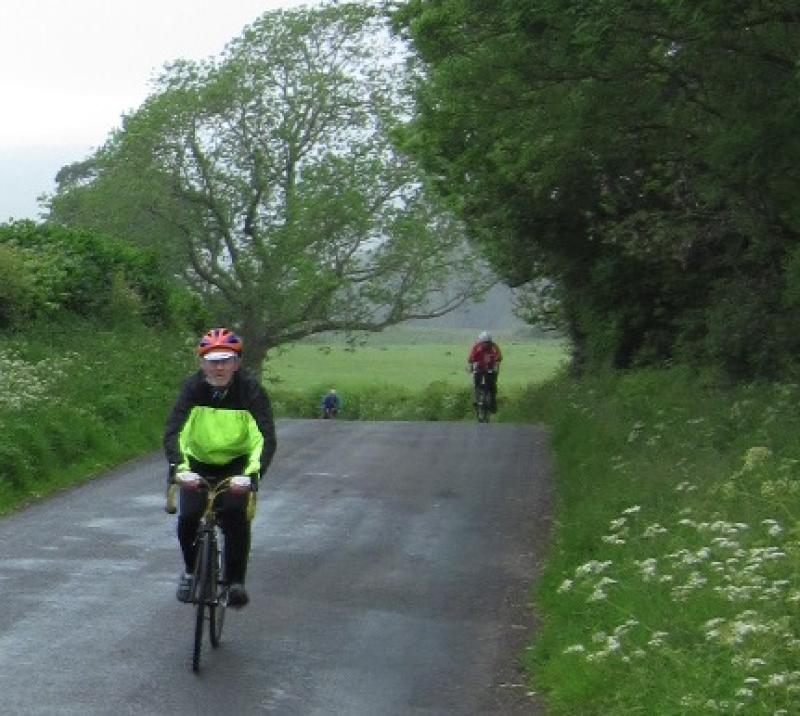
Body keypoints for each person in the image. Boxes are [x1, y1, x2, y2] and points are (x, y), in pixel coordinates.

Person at [163, 327, 277, 609]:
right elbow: (175, 433)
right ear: (202, 363)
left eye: (226, 360)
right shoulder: (192, 389)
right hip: (196, 465)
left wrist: (250, 475)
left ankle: (235, 581)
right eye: (212, 360)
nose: (219, 367)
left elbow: (263, 438)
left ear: (236, 364)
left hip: (237, 466)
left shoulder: (251, 391)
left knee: (236, 516)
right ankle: (191, 571)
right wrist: (180, 468)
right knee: (189, 517)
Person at [467, 330, 503, 412]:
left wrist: (496, 363)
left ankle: (493, 401)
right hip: (479, 368)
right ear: (481, 342)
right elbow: (471, 358)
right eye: (484, 343)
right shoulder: (476, 347)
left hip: (490, 369)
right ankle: (476, 399)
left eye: (488, 343)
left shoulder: (494, 347)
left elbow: (499, 357)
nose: (486, 345)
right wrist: (472, 365)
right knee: (477, 383)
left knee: (492, 385)